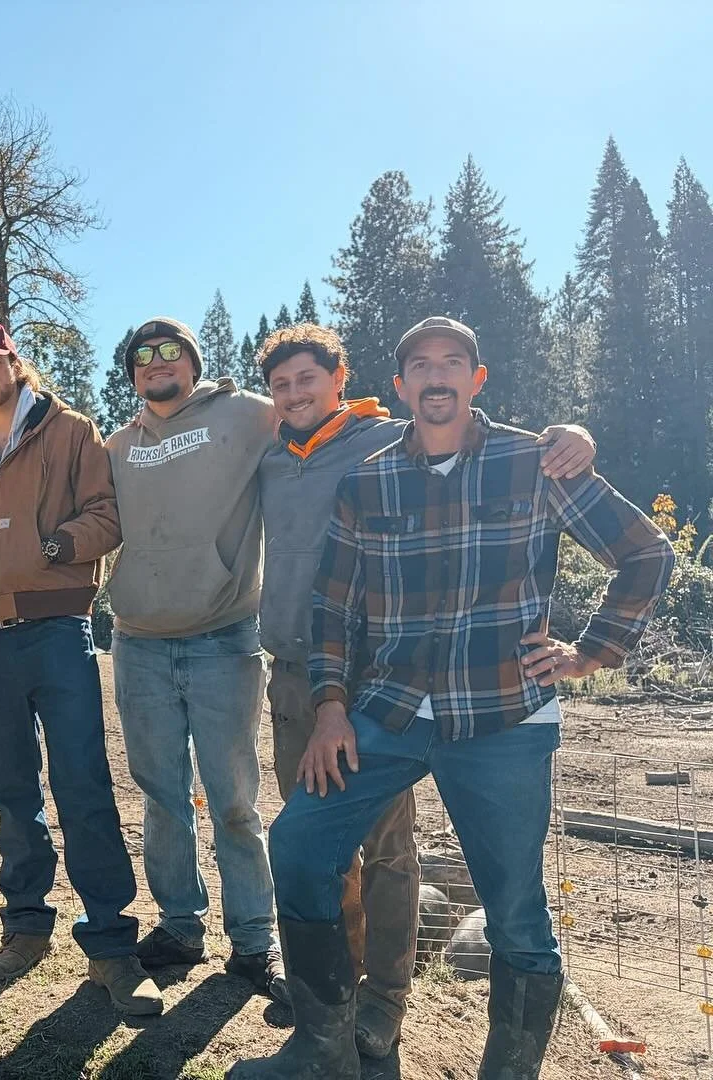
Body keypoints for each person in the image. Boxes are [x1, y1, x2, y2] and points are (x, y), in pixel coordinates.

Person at [241, 316, 674, 1079]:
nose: (436, 377)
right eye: (420, 366)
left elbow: (643, 552)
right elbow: (334, 608)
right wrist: (333, 706)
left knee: (514, 905)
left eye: (453, 364)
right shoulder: (369, 479)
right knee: (302, 841)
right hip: (391, 710)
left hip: (504, 715)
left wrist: (589, 654)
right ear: (400, 386)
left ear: (477, 380)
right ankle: (322, 1049)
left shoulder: (534, 462)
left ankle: (508, 1071)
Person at [0, 322, 160, 1017]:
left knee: (83, 785)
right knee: (9, 790)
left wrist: (54, 544)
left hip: (60, 632)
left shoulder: (70, 432)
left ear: (14, 364)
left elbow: (107, 514)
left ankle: (112, 945)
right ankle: (25, 928)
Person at [102, 317, 286, 1002]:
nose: (155, 363)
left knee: (235, 800)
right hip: (138, 643)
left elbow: (321, 417)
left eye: (169, 351)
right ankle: (181, 926)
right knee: (160, 797)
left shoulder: (244, 416)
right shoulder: (117, 445)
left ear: (192, 361)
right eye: (142, 355)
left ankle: (254, 943)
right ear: (133, 374)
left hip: (224, 638)